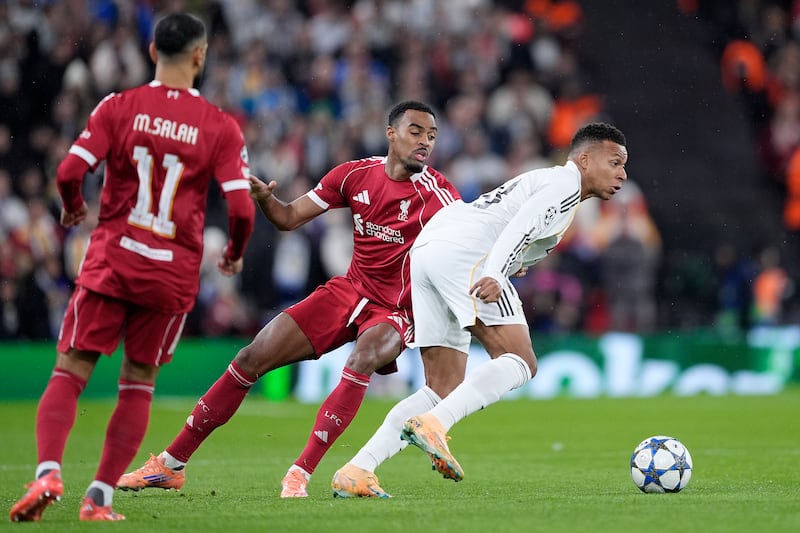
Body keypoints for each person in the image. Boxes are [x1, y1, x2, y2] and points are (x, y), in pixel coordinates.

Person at [117, 100, 460, 498]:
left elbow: (471, 237)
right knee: (250, 358)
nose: (425, 143)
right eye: (416, 131)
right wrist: (265, 199)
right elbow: (289, 217)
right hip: (349, 290)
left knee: (362, 358)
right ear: (391, 133)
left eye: (432, 136)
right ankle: (170, 465)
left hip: (396, 309)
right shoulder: (353, 175)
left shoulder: (438, 194)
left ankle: (300, 473)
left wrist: (500, 263)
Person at [8, 13, 256, 522]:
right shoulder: (219, 126)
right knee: (137, 382)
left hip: (114, 260)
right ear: (199, 57)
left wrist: (74, 205)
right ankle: (99, 496)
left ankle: (48, 472)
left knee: (71, 370)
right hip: (171, 273)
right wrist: (234, 250)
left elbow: (69, 170)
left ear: (150, 53)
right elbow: (241, 207)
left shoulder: (118, 107)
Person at [332, 122, 628, 496]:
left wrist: (514, 262)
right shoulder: (565, 184)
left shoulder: (554, 187)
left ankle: (358, 469)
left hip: (430, 251)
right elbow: (518, 226)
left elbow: (519, 229)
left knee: (442, 386)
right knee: (521, 360)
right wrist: (497, 272)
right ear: (584, 160)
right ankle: (435, 425)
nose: (622, 174)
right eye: (615, 162)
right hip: (469, 254)